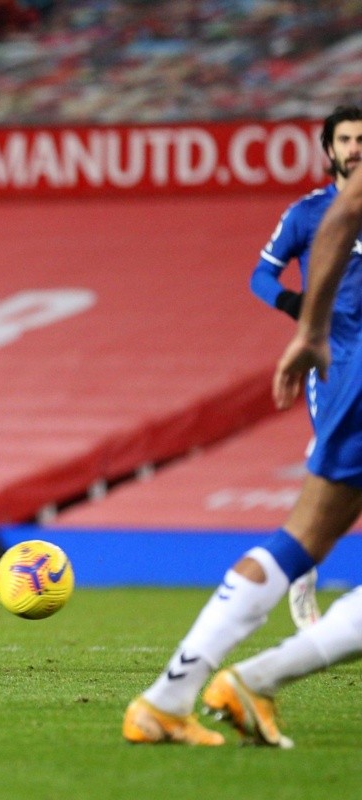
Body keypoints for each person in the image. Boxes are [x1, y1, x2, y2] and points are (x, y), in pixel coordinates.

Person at [122, 120, 362, 748]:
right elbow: (328, 226)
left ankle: (177, 697)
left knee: (303, 536)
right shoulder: (311, 210)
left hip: (352, 370)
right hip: (345, 364)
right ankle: (246, 681)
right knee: (307, 532)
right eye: (346, 140)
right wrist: (307, 326)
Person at [250, 105, 362, 630]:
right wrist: (299, 310)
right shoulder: (307, 213)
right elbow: (261, 275)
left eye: (361, 138)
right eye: (346, 139)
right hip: (334, 361)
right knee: (332, 472)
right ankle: (301, 575)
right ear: (329, 150)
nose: (355, 147)